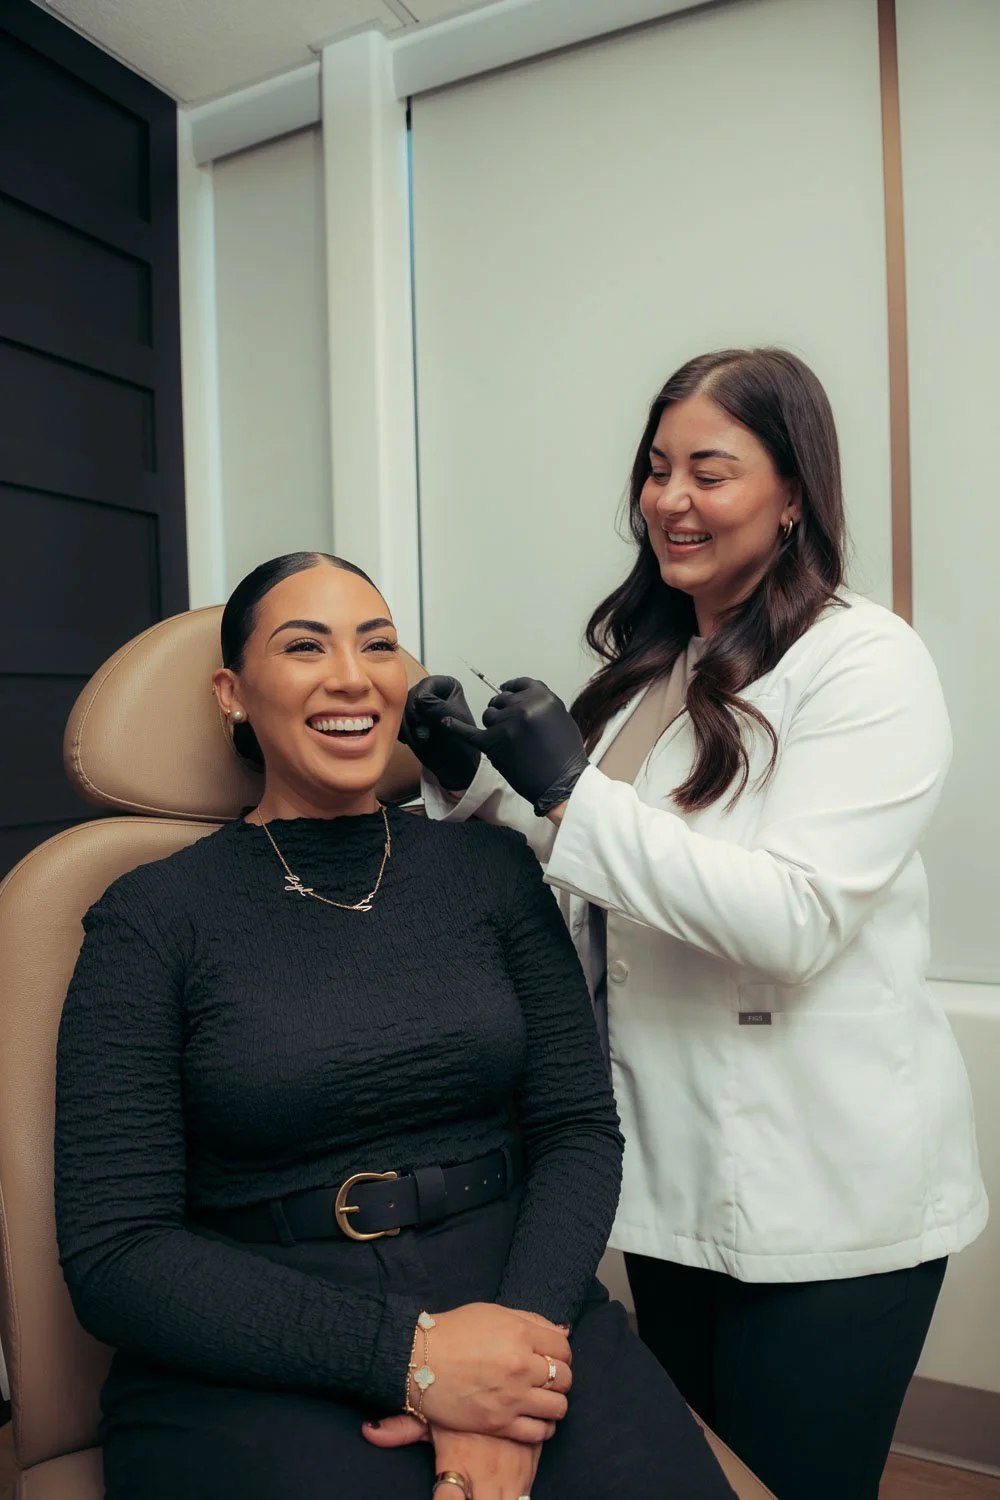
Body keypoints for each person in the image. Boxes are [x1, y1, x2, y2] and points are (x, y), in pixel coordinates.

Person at [402, 348, 988, 1500]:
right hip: (668, 1183)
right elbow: (606, 892)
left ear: (792, 493)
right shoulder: (649, 672)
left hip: (819, 1195)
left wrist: (570, 791)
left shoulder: (865, 661)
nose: (669, 499)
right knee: (691, 1480)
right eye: (656, 468)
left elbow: (795, 917)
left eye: (708, 473)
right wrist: (471, 791)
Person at [54, 551, 735, 1500]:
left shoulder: (493, 872)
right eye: (306, 647)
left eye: (378, 645)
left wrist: (519, 1357)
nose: (352, 676)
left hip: (516, 1293)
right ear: (232, 694)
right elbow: (117, 1252)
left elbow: (578, 1130)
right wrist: (416, 1361)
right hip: (260, 1334)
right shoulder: (151, 916)